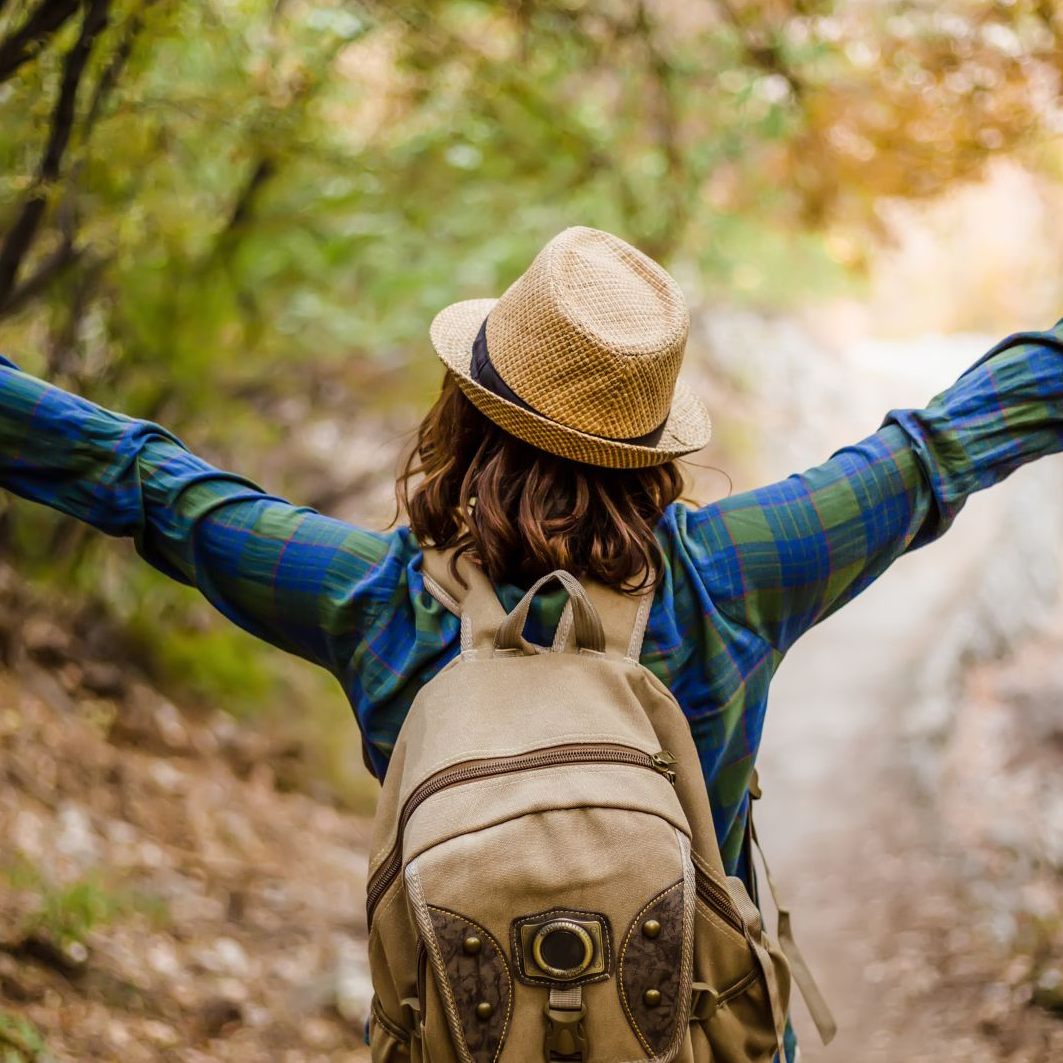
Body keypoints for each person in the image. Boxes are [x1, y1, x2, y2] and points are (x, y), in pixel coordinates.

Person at [1, 225, 1061, 1061]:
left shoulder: (374, 598)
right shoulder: (738, 569)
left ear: (463, 409)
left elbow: (151, 485)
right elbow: (937, 449)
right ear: (650, 441)